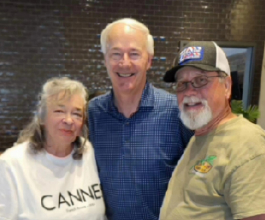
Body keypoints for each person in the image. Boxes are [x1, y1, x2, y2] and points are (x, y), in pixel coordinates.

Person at [88, 18, 193, 220]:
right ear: (105, 59)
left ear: (149, 61)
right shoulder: (93, 112)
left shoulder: (176, 111)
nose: (124, 62)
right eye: (116, 54)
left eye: (134, 54)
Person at [160, 41, 265, 220]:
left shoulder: (248, 144)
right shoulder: (202, 134)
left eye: (201, 80)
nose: (189, 92)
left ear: (227, 86)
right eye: (182, 83)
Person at [0, 77, 106, 220]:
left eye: (76, 114)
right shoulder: (11, 164)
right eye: (59, 111)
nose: (68, 120)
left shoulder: (88, 151)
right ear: (42, 118)